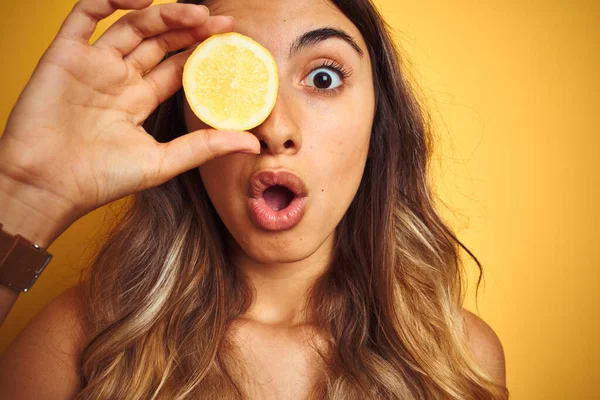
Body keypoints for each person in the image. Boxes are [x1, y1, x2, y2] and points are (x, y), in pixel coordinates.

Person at [0, 0, 508, 398]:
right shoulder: (80, 342)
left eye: (324, 78)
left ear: (381, 119)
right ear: (181, 116)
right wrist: (26, 194)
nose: (275, 128)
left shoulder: (458, 362)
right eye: (233, 79)